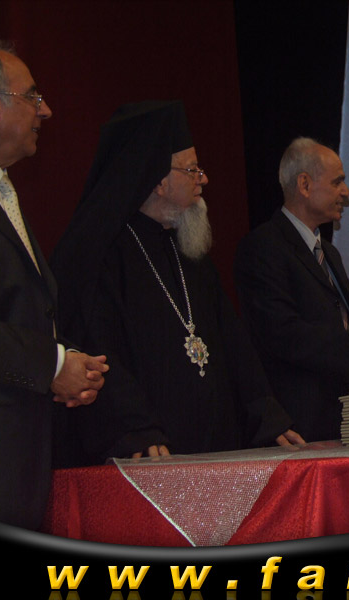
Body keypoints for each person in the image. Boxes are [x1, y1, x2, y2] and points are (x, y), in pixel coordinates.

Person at [51, 100, 302, 466]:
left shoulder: (189, 250)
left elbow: (232, 341)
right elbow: (99, 350)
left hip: (216, 446)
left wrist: (265, 414)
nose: (204, 179)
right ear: (157, 179)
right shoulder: (100, 256)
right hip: (149, 451)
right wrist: (135, 427)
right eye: (191, 169)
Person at [0, 39, 108, 528]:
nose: (46, 110)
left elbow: (15, 309)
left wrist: (68, 362)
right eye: (32, 96)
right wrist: (51, 365)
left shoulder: (3, 191)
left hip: (18, 465)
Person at [234, 137, 349, 442]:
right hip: (298, 427)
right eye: (337, 182)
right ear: (305, 185)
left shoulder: (328, 253)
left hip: (344, 420)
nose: (346, 193)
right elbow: (282, 332)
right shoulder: (263, 247)